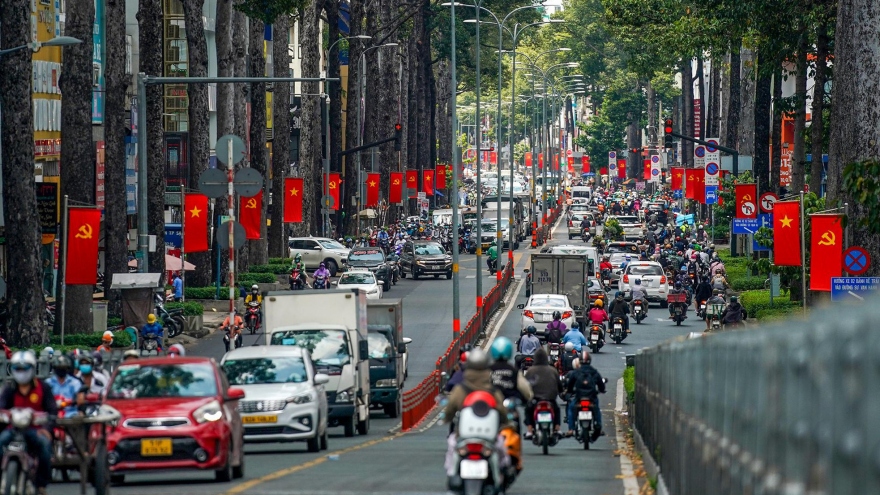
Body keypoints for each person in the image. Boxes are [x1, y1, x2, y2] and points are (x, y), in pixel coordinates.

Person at [442, 349, 510, 479]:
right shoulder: (493, 391)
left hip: (464, 435)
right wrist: (507, 422)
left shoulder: (460, 390)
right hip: (489, 436)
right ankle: (500, 475)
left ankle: (452, 475)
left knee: (452, 446)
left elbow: (450, 409)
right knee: (501, 447)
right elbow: (502, 411)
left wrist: (446, 418)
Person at [0, 351, 57, 495]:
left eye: (24, 368)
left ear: (32, 369)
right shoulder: (9, 389)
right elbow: (2, 407)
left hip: (35, 429)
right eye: (17, 369)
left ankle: (41, 483)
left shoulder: (43, 388)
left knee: (44, 447)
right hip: (13, 429)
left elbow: (52, 411)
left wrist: (47, 427)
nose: (21, 373)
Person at [564, 350, 606, 439]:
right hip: (592, 397)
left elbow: (570, 385)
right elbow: (600, 384)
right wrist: (602, 390)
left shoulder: (576, 372)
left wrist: (569, 392)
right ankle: (598, 425)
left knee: (571, 409)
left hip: (579, 397)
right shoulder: (594, 371)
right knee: (597, 409)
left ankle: (571, 429)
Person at [523, 349, 563, 439]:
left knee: (528, 410)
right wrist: (561, 392)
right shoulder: (553, 370)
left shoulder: (530, 371)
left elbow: (525, 385)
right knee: (557, 410)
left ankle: (530, 430)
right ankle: (557, 428)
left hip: (535, 399)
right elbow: (559, 386)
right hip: (550, 399)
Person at [489, 337, 533, 403]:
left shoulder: (488, 370)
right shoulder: (514, 371)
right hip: (509, 403)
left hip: (493, 404)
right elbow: (526, 390)